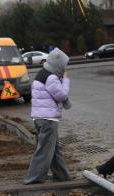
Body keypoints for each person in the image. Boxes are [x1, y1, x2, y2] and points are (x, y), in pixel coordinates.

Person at [24, 48, 72, 185]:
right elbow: (62, 95)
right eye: (64, 65)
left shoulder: (42, 74)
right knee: (45, 150)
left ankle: (62, 176)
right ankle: (33, 178)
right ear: (58, 64)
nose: (65, 68)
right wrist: (66, 81)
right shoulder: (51, 77)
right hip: (48, 119)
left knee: (54, 149)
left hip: (41, 118)